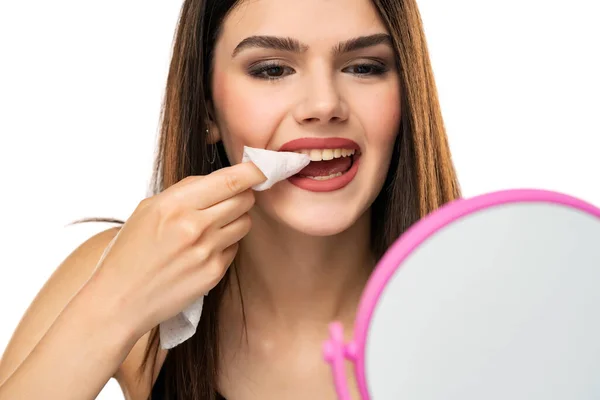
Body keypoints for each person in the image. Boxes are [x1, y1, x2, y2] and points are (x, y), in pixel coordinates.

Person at [0, 0, 460, 398]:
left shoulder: (480, 301)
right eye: (272, 69)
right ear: (206, 109)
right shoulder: (116, 271)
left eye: (363, 67)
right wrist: (115, 307)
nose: (324, 104)